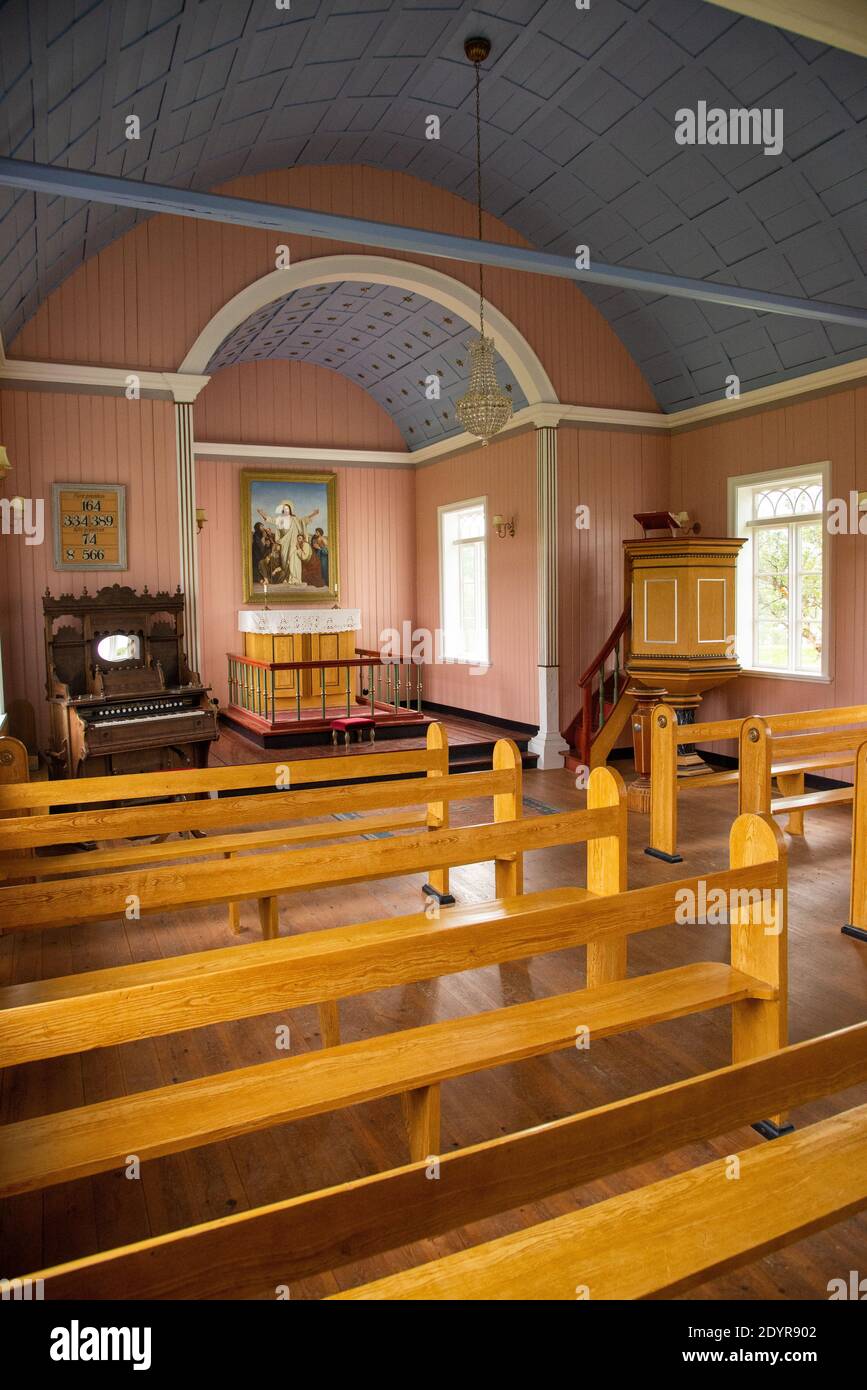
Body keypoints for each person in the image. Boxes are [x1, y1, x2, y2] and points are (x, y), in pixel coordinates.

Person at [256, 500, 319, 586]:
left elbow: (304, 521)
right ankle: (286, 577)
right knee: (285, 561)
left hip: (294, 543)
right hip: (284, 544)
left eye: (287, 508)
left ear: (290, 510)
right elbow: (270, 520)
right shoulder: (280, 520)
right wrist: (261, 513)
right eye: (284, 509)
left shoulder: (295, 519)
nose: (286, 510)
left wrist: (314, 514)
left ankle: (295, 578)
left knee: (294, 559)